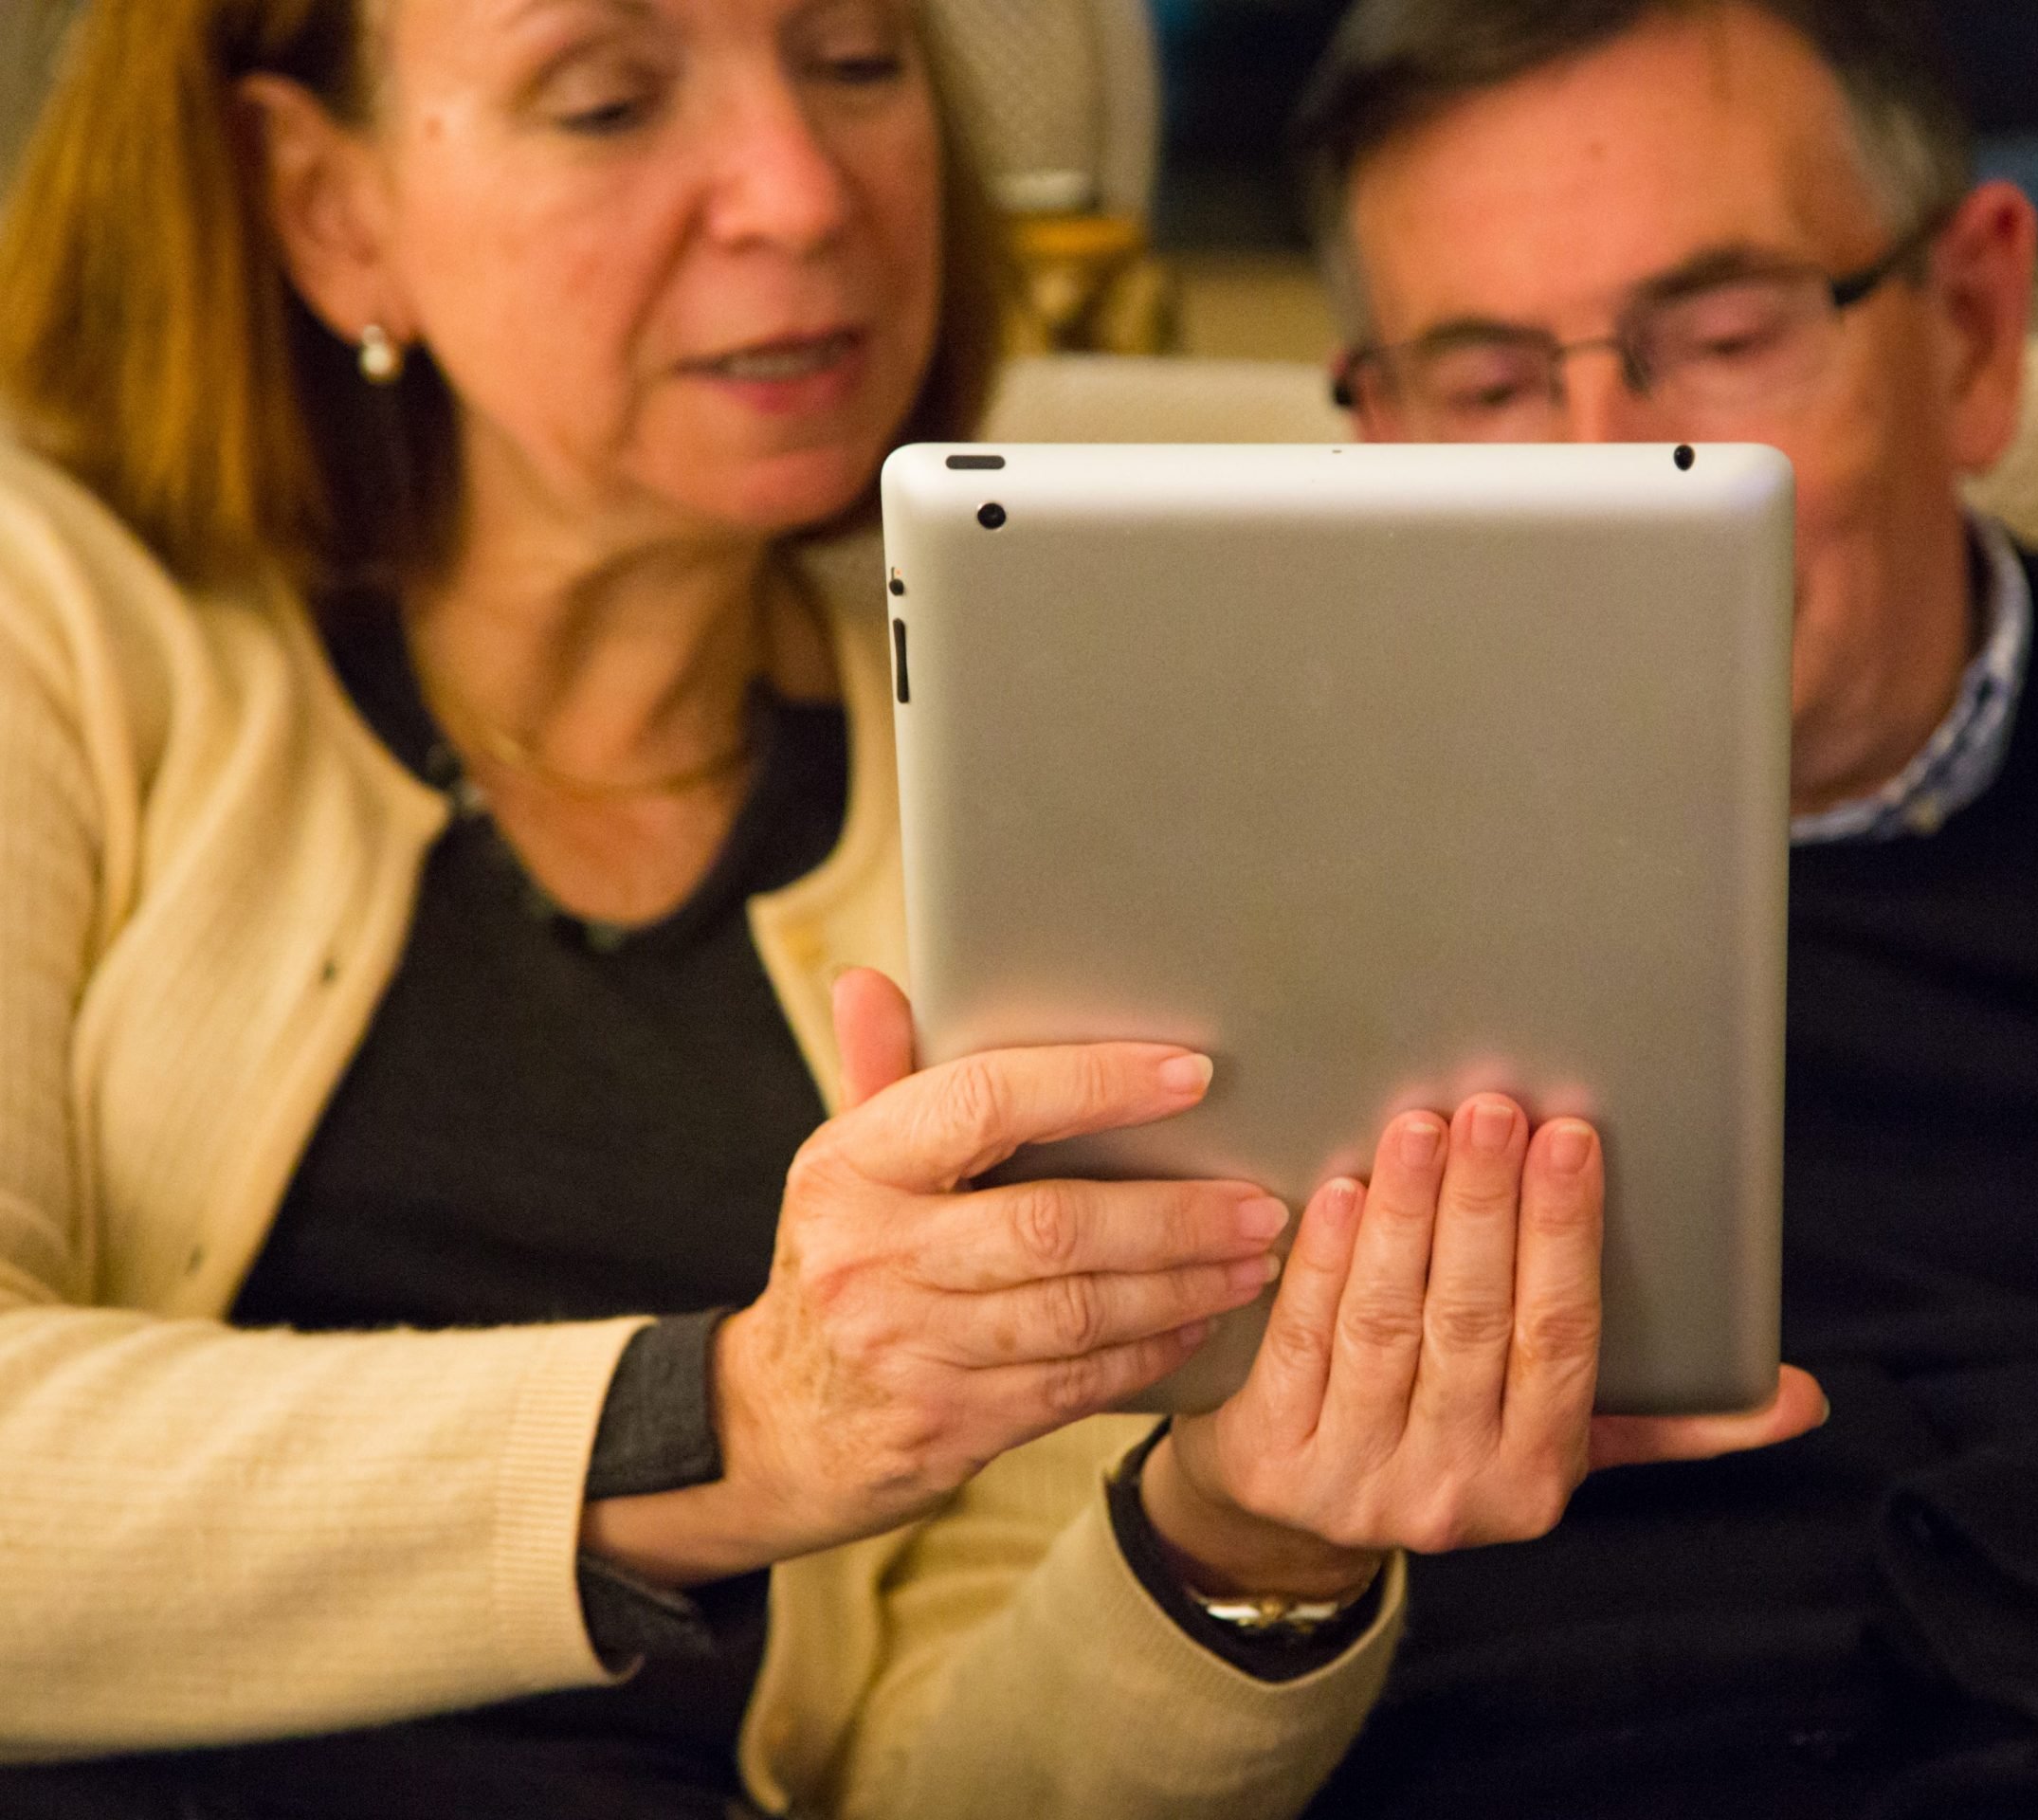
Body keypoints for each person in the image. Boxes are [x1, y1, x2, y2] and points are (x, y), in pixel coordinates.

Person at [0, 1, 1829, 1816]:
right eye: (612, 101)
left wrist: (1239, 1539)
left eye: (858, 65)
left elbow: (939, 1779)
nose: (802, 192)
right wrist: (738, 1424)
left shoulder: (1044, 795)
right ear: (325, 204)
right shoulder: (49, 618)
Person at [1292, 1, 2038, 1815]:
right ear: (1376, 427)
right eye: (1492, 386)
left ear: (1973, 330)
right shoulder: (1259, 896)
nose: (1607, 482)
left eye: (1722, 340)